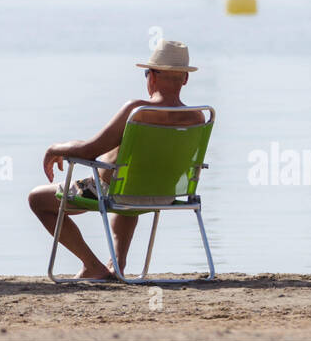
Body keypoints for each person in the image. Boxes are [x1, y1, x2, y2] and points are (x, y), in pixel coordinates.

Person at [27, 39, 205, 280]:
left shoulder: (138, 111)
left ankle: (92, 265)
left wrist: (54, 148)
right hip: (164, 192)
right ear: (185, 78)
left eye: (146, 74)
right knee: (129, 177)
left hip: (112, 191)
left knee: (37, 199)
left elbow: (89, 150)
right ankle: (117, 263)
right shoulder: (196, 117)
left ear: (152, 76)